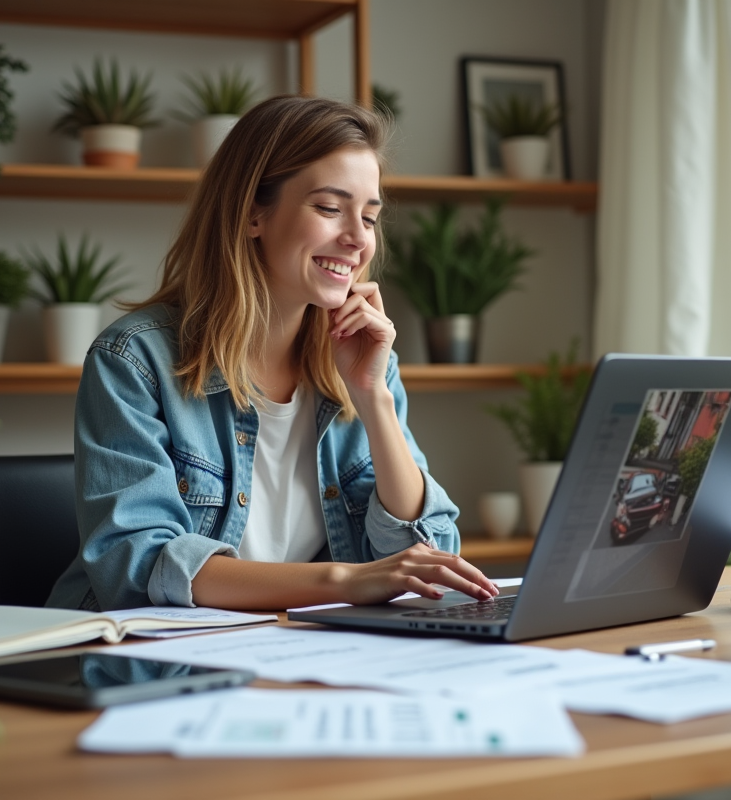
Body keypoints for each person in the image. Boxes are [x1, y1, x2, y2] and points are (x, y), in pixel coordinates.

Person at [47, 95, 498, 612]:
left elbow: (432, 557)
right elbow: (138, 565)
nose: (357, 239)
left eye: (369, 217)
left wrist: (373, 399)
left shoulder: (365, 360)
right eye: (330, 208)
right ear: (252, 215)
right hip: (150, 665)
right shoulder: (134, 360)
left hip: (294, 648)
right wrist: (344, 582)